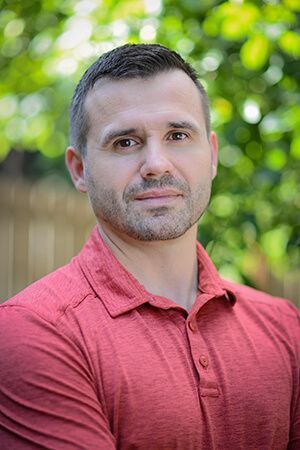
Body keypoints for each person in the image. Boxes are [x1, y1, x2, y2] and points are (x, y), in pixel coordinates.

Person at [0, 43, 299, 450]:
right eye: (125, 142)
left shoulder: (284, 327)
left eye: (178, 135)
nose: (156, 163)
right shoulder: (34, 333)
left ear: (211, 155)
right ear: (79, 169)